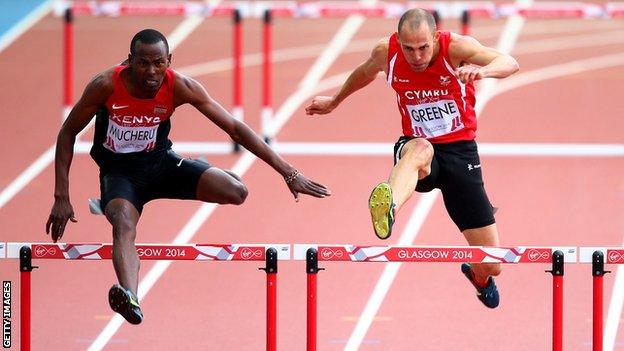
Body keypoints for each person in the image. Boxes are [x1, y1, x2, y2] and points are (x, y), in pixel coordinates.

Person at [46, 29, 331, 324]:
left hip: (161, 165)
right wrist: (61, 197)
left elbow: (235, 127)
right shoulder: (105, 85)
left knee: (236, 191)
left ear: (169, 61)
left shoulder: (180, 86)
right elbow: (67, 132)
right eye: (143, 63)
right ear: (130, 61)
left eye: (158, 63)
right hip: (121, 176)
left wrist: (289, 173)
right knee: (122, 222)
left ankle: (202, 169)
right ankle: (130, 296)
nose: (151, 71)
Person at [305, 9, 519, 308]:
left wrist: (483, 71)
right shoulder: (387, 52)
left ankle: (478, 277)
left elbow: (510, 62)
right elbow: (364, 73)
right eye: (408, 48)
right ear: (398, 41)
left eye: (422, 48)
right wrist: (334, 101)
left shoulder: (456, 47)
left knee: (492, 263)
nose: (416, 56)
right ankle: (388, 204)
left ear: (434, 38)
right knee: (421, 148)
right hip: (416, 150)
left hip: (460, 152)